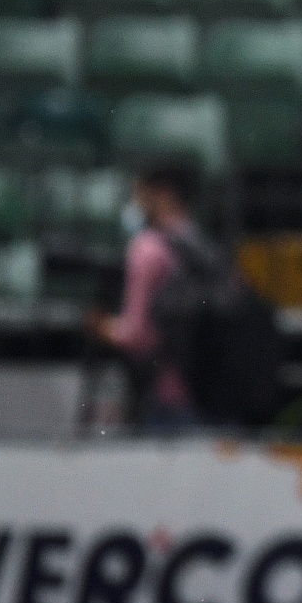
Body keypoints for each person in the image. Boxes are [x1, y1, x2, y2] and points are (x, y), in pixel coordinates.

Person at [86, 167, 200, 431]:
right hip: (205, 389)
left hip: (165, 393)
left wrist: (103, 327)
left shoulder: (149, 249)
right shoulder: (202, 244)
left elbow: (135, 334)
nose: (136, 203)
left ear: (163, 194)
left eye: (140, 195)